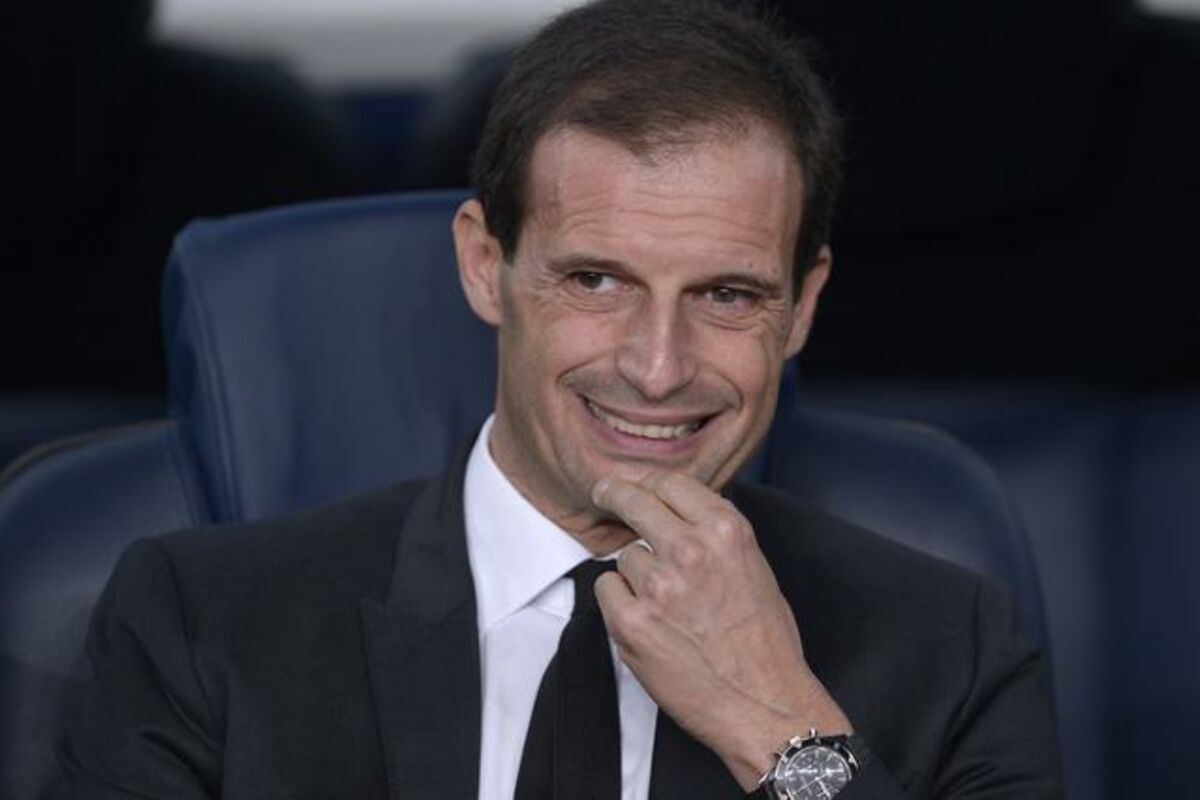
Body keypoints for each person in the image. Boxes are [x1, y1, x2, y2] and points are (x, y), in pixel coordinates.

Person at [54, 1, 1062, 797]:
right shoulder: (201, 623)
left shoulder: (952, 647)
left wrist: (782, 729)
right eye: (597, 280)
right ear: (483, 266)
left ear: (801, 307)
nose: (658, 368)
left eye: (726, 295)